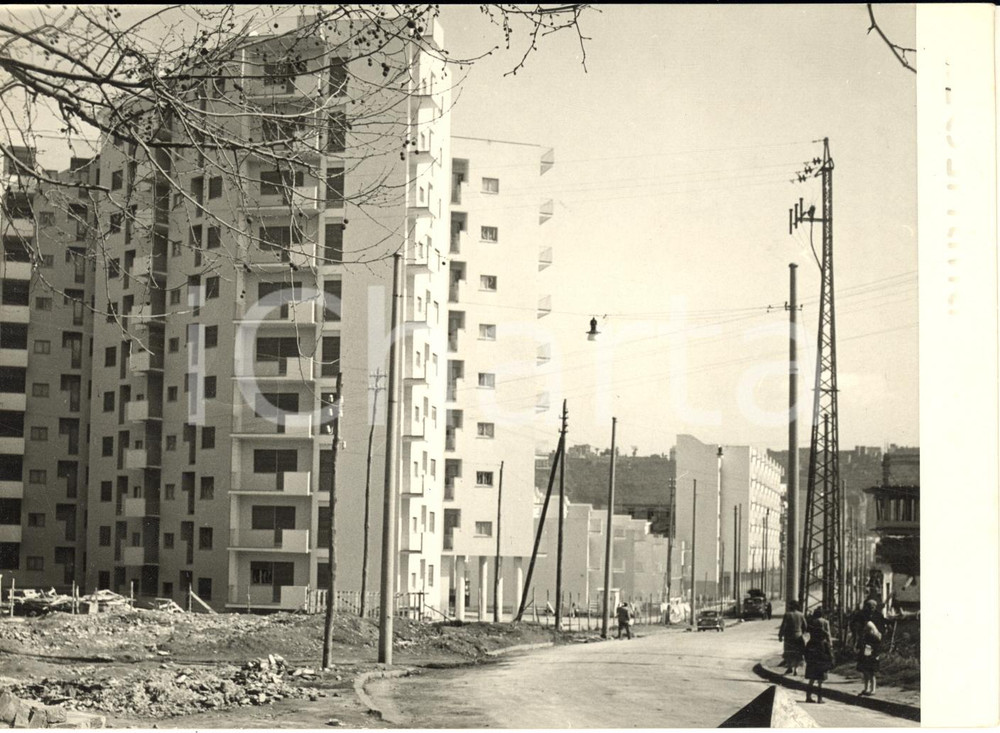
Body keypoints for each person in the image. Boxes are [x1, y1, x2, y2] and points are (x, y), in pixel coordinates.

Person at [804, 608, 834, 704]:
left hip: (812, 648)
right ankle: (819, 698)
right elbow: (828, 635)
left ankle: (808, 696)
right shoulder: (825, 622)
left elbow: (807, 633)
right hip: (821, 650)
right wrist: (831, 646)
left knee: (812, 677)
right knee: (820, 677)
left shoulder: (812, 622)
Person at [856, 599, 885, 696]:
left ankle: (872, 689)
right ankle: (866, 688)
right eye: (869, 606)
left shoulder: (879, 616)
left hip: (873, 645)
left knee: (871, 669)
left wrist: (877, 650)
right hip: (866, 645)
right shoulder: (863, 615)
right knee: (865, 669)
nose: (870, 608)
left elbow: (881, 631)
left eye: (872, 606)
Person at [777, 600, 808, 675]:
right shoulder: (801, 615)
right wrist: (802, 632)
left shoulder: (787, 614)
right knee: (798, 653)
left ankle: (790, 667)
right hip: (798, 636)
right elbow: (805, 625)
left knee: (789, 652)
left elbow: (783, 626)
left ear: (791, 606)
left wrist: (780, 635)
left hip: (789, 636)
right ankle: (796, 669)